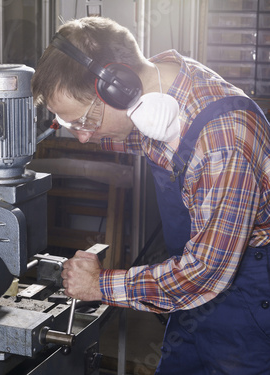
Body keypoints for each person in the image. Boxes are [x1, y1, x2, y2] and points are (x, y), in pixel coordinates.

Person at [32, 16, 270, 374]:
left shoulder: (223, 141)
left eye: (83, 122)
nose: (82, 136)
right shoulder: (158, 90)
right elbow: (117, 133)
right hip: (191, 296)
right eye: (70, 126)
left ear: (118, 87)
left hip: (244, 299)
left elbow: (205, 274)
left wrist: (100, 284)